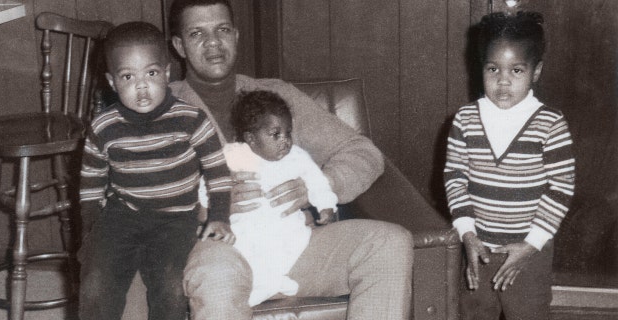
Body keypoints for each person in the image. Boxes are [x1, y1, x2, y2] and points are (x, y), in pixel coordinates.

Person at [168, 0, 414, 319]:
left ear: (237, 35)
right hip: (219, 252)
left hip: (293, 248)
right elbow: (130, 199)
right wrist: (205, 209)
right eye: (197, 33)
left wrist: (320, 187)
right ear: (179, 45)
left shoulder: (276, 95)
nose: (213, 42)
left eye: (222, 30)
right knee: (216, 276)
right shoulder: (159, 106)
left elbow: (364, 153)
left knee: (389, 242)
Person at [77, 22, 233, 320]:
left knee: (172, 286)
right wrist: (91, 230)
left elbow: (217, 172)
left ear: (167, 72)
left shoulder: (191, 119)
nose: (141, 86)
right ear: (112, 82)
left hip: (176, 218)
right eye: (127, 76)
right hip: (122, 215)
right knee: (95, 284)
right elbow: (91, 183)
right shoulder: (103, 126)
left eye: (151, 73)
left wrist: (219, 216)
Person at [444, 11, 576, 320]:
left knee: (528, 313)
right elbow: (455, 178)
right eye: (493, 69)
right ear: (481, 69)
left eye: (516, 70)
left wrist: (532, 245)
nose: (503, 81)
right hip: (480, 249)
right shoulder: (465, 120)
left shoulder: (550, 124)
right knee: (473, 314)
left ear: (536, 71)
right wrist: (467, 233)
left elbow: (561, 188)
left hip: (530, 251)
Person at [199, 90, 338, 307]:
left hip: (286, 227)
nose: (285, 141)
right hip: (244, 228)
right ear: (251, 139)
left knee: (289, 246)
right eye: (275, 134)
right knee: (241, 250)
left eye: (288, 133)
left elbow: (317, 181)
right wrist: (212, 204)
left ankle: (271, 283)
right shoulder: (232, 155)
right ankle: (265, 285)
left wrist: (326, 205)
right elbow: (208, 184)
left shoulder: (297, 157)